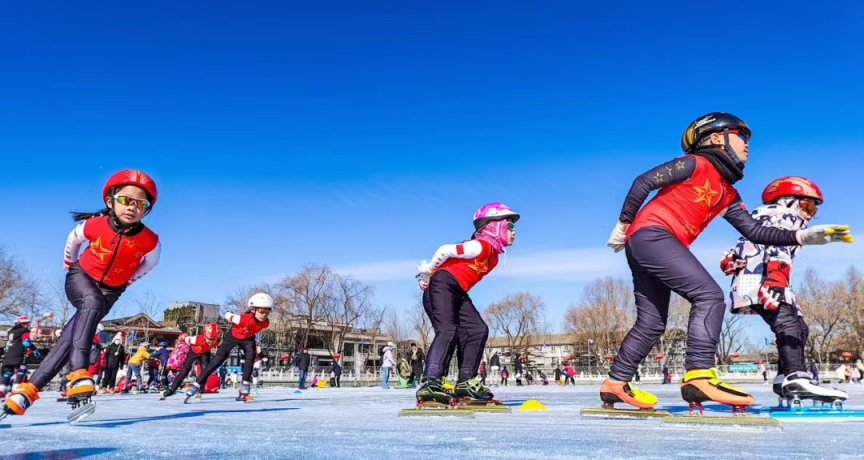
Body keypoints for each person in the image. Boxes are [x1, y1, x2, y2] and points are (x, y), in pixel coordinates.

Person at [602, 113, 852, 413]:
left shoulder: (727, 193)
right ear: (716, 137)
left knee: (652, 322)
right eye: (742, 137)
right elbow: (643, 181)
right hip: (653, 235)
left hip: (650, 243)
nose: (748, 145)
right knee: (708, 296)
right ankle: (699, 374)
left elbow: (754, 231)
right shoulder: (696, 164)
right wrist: (624, 223)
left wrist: (801, 235)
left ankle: (616, 383)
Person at [4, 170, 160, 418]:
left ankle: (27, 391)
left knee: (70, 335)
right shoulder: (94, 225)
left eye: (140, 204)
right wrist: (69, 267)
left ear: (146, 210)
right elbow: (73, 241)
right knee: (91, 302)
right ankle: (78, 374)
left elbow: (149, 264)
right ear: (110, 201)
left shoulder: (150, 240)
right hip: (82, 278)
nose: (132, 207)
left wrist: (127, 282)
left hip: (112, 289)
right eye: (125, 200)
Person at [723, 176, 847, 404]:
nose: (811, 212)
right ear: (788, 200)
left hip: (754, 280)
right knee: (788, 325)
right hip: (766, 279)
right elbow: (775, 246)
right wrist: (775, 279)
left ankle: (784, 377)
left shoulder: (762, 216)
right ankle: (795, 375)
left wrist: (734, 261)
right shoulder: (784, 216)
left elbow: (736, 252)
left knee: (799, 327)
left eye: (814, 208)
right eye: (807, 205)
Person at [414, 203, 519, 405]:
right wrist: (428, 273)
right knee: (448, 331)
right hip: (441, 285)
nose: (514, 232)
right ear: (495, 226)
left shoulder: (494, 257)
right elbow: (445, 250)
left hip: (455, 290)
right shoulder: (480, 246)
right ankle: (430, 382)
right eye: (510, 226)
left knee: (477, 329)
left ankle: (465, 382)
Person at [185, 293, 272, 402]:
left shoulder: (266, 323)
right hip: (234, 336)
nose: (265, 314)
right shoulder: (241, 319)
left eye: (268, 311)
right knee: (218, 359)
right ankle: (197, 384)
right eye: (262, 311)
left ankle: (245, 384)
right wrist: (230, 314)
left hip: (248, 338)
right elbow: (227, 315)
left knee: (251, 355)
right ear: (253, 310)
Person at [160, 324, 221, 399]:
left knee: (205, 369)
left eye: (213, 340)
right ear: (205, 335)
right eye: (209, 339)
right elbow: (186, 341)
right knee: (185, 370)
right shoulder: (195, 339)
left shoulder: (218, 341)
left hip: (205, 353)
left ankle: (200, 389)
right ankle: (172, 388)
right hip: (193, 351)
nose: (211, 342)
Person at [1, 317, 41, 398]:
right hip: (18, 355)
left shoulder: (11, 332)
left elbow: (6, 346)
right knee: (21, 370)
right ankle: (15, 389)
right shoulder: (24, 331)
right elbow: (26, 342)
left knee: (8, 373)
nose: (28, 325)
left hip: (8, 355)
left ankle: (1, 390)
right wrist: (34, 349)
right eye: (27, 323)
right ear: (23, 324)